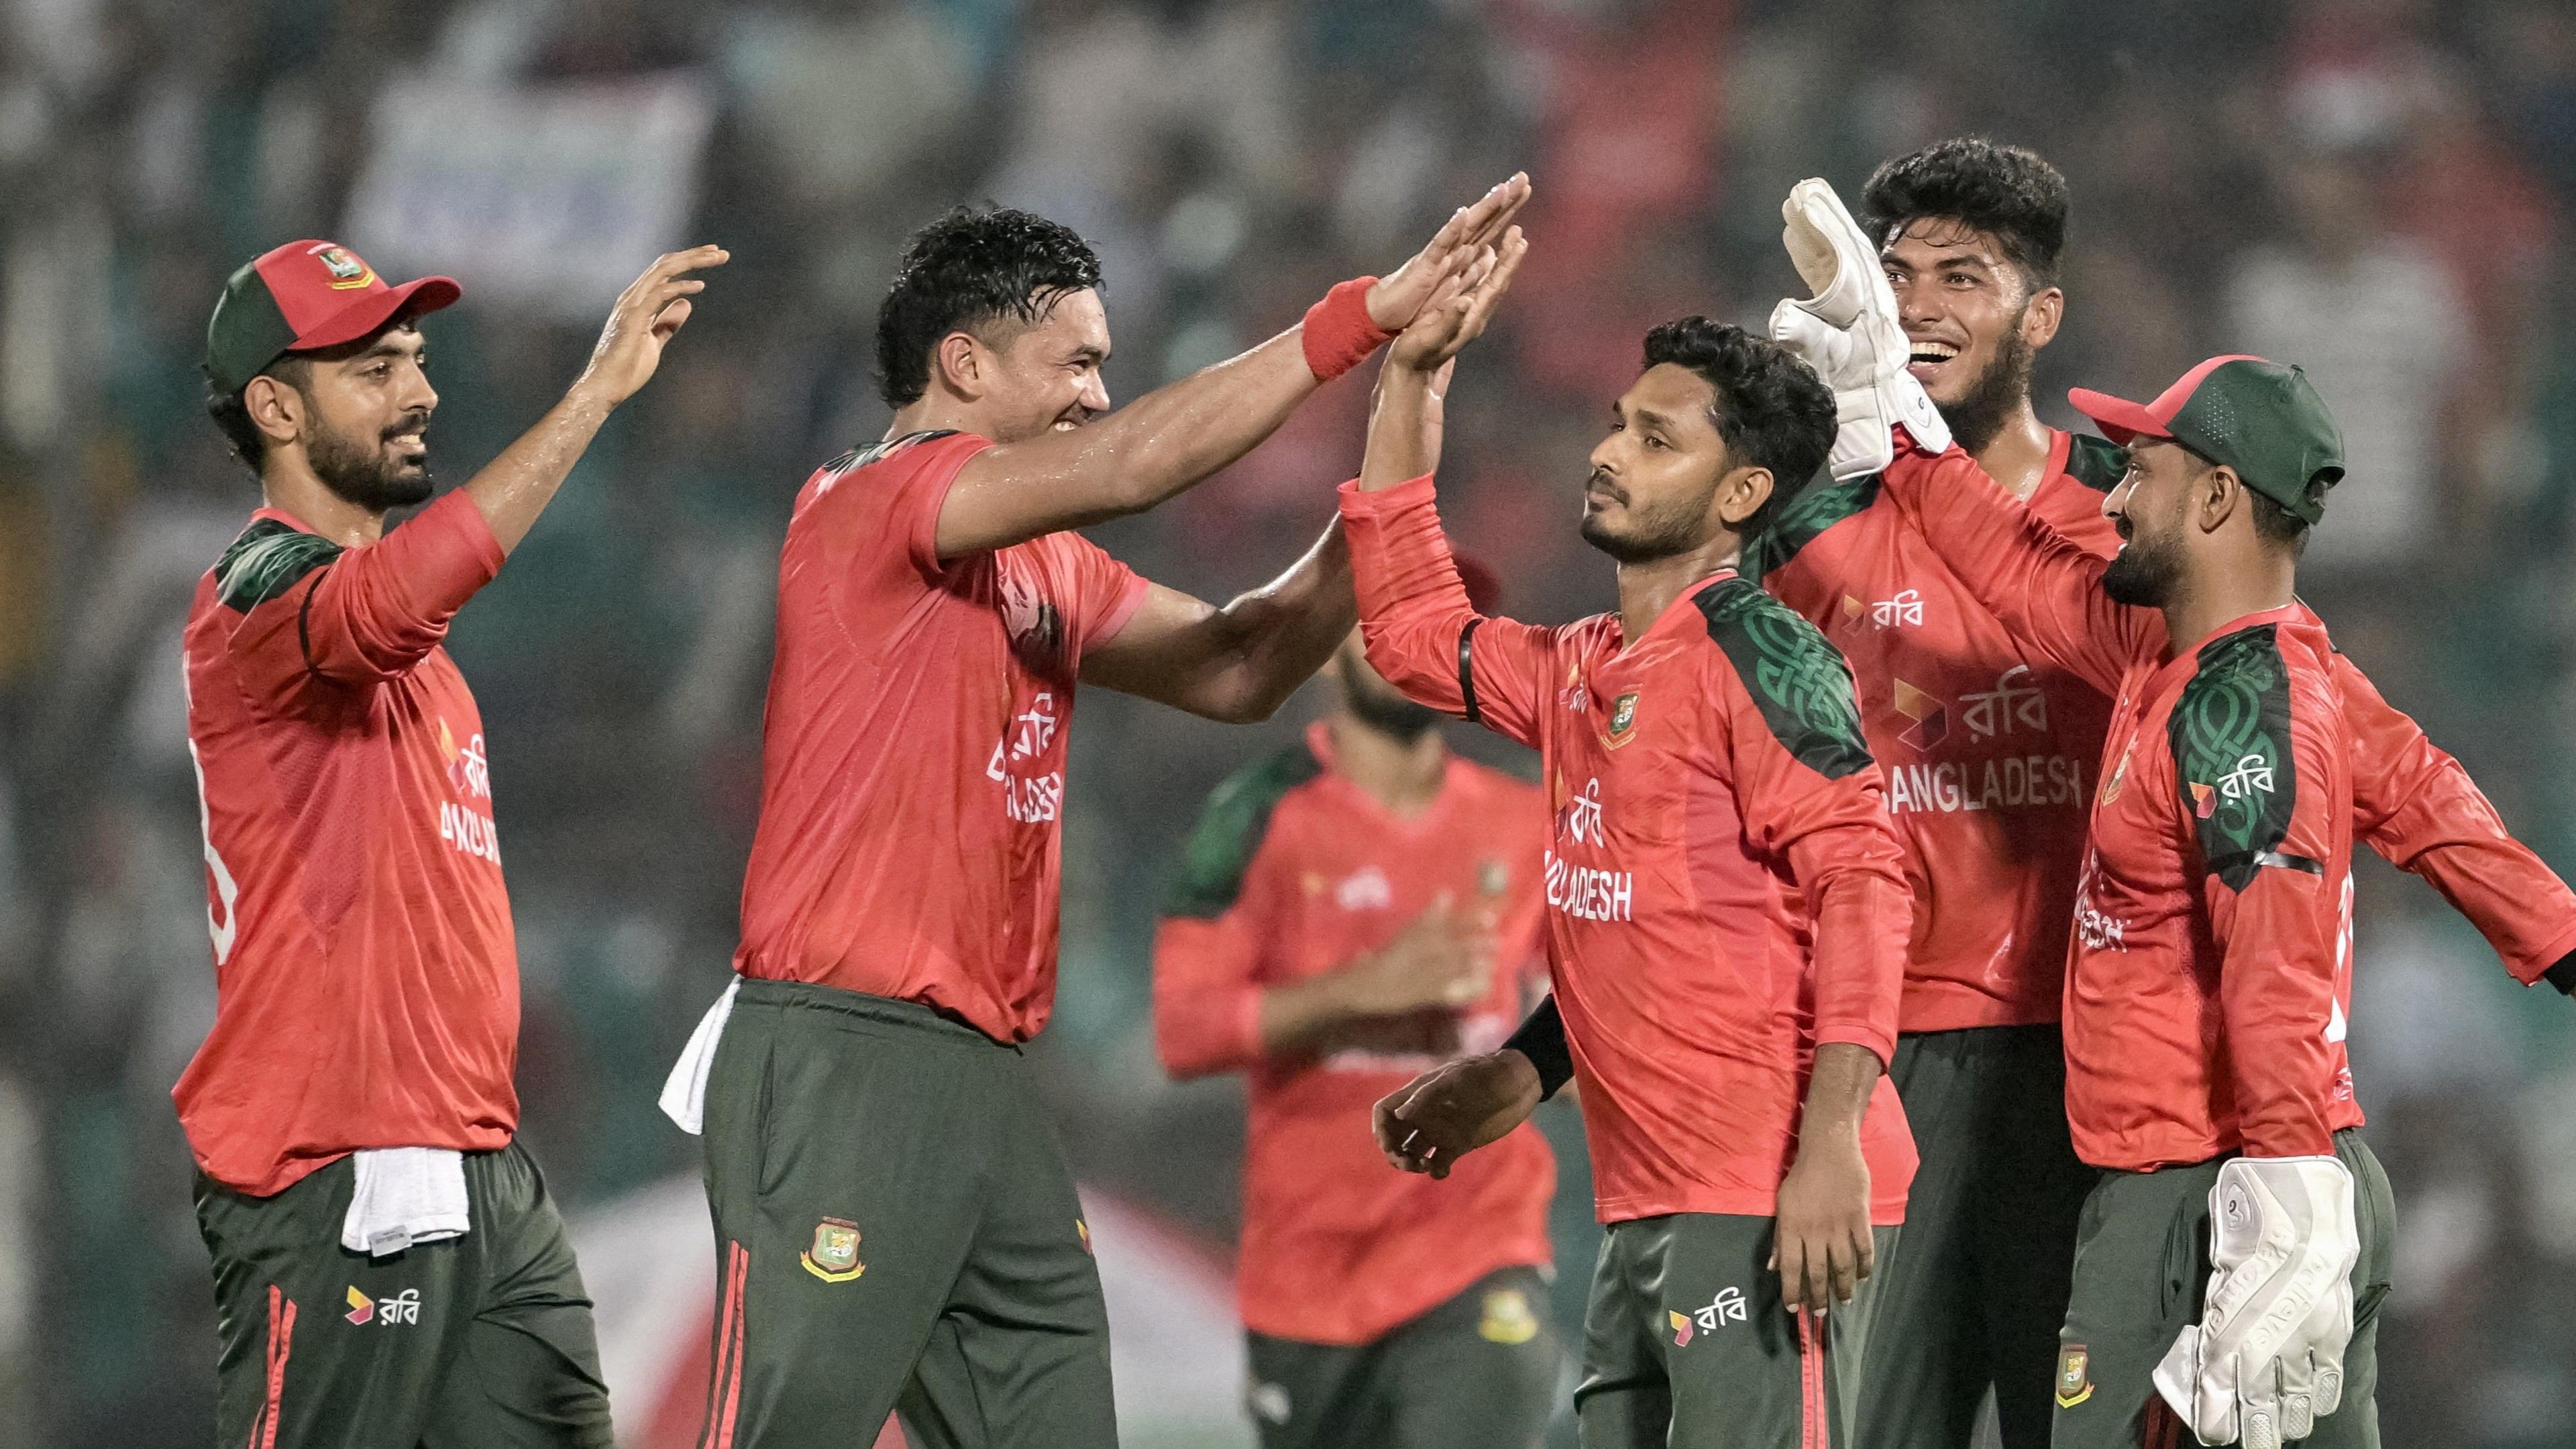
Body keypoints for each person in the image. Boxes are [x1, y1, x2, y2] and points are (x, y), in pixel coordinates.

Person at [656, 178, 1530, 1449]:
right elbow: (1131, 465)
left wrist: (1408, 406)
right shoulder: (871, 499)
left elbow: (1240, 665)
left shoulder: (1039, 562)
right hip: (842, 1051)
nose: (1097, 393)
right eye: (1075, 360)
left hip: (986, 1077)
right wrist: (1359, 323)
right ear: (964, 362)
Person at [1750, 142, 2576, 1449]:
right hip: (2187, 1156)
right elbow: (2432, 801)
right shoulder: (2177, 654)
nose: (2113, 487)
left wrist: (2289, 1180)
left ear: (2217, 501)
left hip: (2209, 1174)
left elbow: (2276, 951)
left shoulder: (2236, 704)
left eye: (2144, 471)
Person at [1348, 244, 1917, 1444]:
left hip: (1768, 1192)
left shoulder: (1765, 657)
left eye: (1659, 441)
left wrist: (1828, 1155)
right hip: (1648, 1200)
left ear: (1741, 495)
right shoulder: (1581, 668)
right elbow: (1408, 633)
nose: (1608, 453)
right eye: (1618, 425)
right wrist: (1412, 381)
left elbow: (1867, 883)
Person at [182, 237, 724, 1448]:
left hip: (480, 1159)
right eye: (373, 368)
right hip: (343, 1165)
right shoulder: (253, 588)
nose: (421, 391)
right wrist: (591, 397)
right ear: (275, 402)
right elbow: (387, 602)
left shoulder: (423, 664)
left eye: (417, 360)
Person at [1152, 557, 1560, 1449]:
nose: (1410, 645)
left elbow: (1586, 1016)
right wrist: (1362, 991)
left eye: (1438, 621)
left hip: (1478, 1251)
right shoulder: (1256, 814)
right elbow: (1183, 1030)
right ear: (1327, 645)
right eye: (1384, 619)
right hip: (1309, 1276)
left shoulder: (1530, 822)